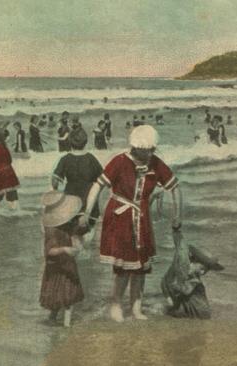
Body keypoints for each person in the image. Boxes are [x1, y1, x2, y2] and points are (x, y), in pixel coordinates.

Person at [82, 125, 182, 322]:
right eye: (147, 150)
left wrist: (178, 215)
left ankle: (136, 307)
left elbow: (175, 187)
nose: (151, 153)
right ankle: (116, 304)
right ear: (136, 147)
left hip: (142, 217)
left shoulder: (155, 163)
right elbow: (98, 186)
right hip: (119, 218)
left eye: (153, 149)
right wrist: (87, 212)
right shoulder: (119, 162)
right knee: (123, 266)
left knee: (141, 266)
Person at [39, 191, 85, 327]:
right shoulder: (51, 231)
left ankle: (54, 321)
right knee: (65, 298)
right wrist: (65, 249)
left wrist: (82, 222)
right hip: (57, 267)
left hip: (65, 264)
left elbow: (77, 229)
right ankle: (66, 326)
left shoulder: (65, 223)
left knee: (60, 296)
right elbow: (49, 251)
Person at [161, 229, 224, 319]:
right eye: (202, 268)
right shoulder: (187, 275)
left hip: (201, 313)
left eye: (206, 271)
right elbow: (164, 284)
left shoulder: (195, 281)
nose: (203, 272)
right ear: (192, 262)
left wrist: (173, 279)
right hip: (192, 310)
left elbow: (183, 289)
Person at [0, 129, 20, 209]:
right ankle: (13, 214)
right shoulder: (5, 147)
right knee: (12, 198)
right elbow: (10, 161)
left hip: (1, 174)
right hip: (10, 172)